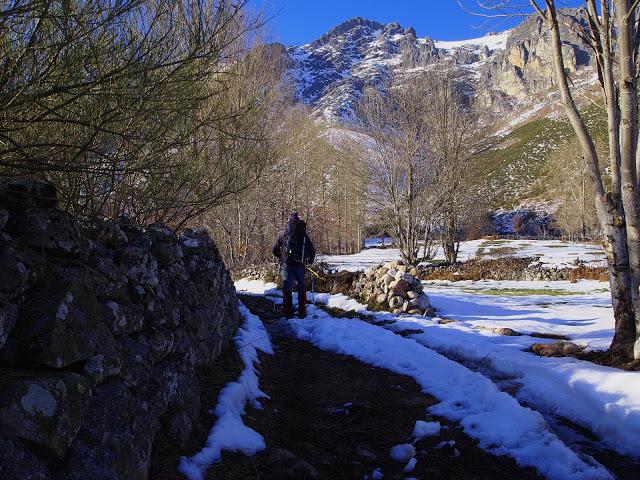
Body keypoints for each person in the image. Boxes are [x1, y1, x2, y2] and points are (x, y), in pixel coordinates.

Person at [272, 212, 316, 318]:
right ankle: (302, 311)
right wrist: (309, 260)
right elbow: (312, 250)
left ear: (288, 221)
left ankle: (288, 312)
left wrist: (281, 257)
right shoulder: (303, 234)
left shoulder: (282, 233)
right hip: (299, 264)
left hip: (286, 264)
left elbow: (274, 249)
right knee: (301, 287)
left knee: (287, 287)